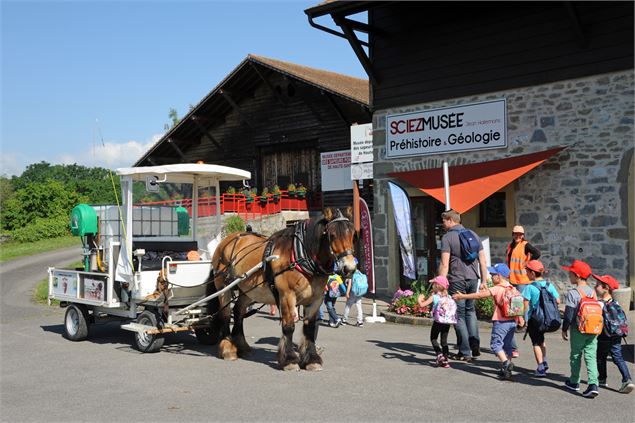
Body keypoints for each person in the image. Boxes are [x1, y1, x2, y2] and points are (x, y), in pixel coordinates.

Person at [453, 263, 522, 380]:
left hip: (501, 321)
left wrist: (462, 297)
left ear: (499, 276)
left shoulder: (497, 288)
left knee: (496, 345)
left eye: (493, 274)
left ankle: (506, 363)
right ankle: (505, 368)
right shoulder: (512, 287)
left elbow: (479, 296)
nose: (490, 276)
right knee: (508, 345)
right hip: (512, 322)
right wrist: (520, 318)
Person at [438, 209, 488, 362]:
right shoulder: (473, 234)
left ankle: (465, 351)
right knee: (470, 311)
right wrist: (484, 281)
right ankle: (475, 346)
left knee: (458, 315)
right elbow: (483, 261)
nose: (443, 224)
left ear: (450, 220)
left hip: (457, 279)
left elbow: (445, 264)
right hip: (473, 278)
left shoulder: (447, 238)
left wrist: (440, 284)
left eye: (444, 221)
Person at [561, 259, 600, 398]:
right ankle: (593, 384)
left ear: (577, 275)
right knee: (591, 356)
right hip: (593, 328)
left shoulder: (573, 293)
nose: (569, 276)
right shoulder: (593, 292)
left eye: (570, 273)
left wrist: (564, 329)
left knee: (576, 355)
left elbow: (569, 313)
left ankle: (574, 382)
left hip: (578, 329)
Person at [592, 274, 634, 394]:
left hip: (604, 335)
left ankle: (602, 379)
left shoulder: (599, 304)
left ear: (606, 288)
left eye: (597, 285)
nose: (595, 287)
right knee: (618, 356)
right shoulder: (616, 303)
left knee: (600, 357)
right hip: (616, 334)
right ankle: (627, 379)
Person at [506, 225, 541, 358]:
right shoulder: (511, 245)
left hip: (521, 279)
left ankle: (523, 324)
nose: (518, 236)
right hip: (513, 278)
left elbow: (537, 253)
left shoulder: (526, 245)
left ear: (523, 235)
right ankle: (519, 322)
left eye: (520, 234)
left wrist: (529, 263)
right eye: (516, 234)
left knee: (522, 303)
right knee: (515, 302)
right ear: (513, 234)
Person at [520, 259, 560, 377]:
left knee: (536, 343)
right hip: (547, 318)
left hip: (535, 320)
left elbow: (525, 305)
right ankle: (545, 360)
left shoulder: (530, 287)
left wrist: (524, 319)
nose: (526, 273)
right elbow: (557, 300)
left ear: (532, 273)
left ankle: (541, 368)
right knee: (542, 341)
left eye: (527, 271)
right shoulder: (549, 285)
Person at [417, 275, 456, 368]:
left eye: (434, 284)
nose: (432, 286)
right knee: (444, 342)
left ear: (437, 286)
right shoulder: (448, 296)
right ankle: (445, 359)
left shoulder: (434, 297)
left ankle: (439, 355)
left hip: (437, 321)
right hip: (446, 322)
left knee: (433, 338)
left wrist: (419, 299)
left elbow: (422, 305)